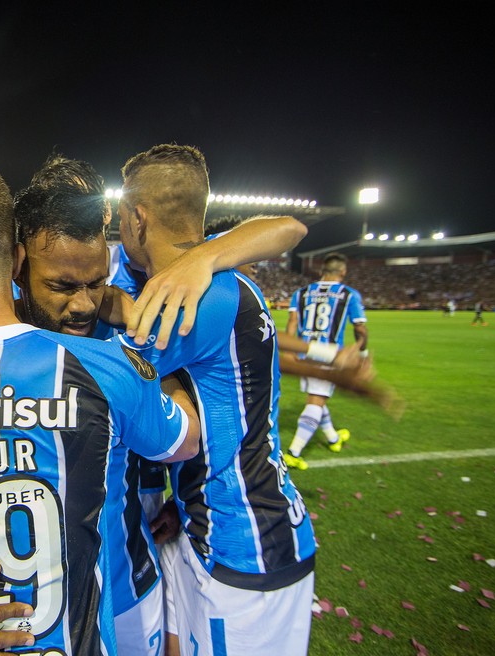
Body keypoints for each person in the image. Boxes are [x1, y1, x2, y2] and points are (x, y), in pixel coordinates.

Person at [0, 157, 312, 656]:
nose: (83, 304)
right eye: (61, 286)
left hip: (131, 582)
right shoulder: (60, 352)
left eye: (95, 283)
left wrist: (203, 257)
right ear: (16, 265)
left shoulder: (123, 313)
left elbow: (284, 231)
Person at [116, 144, 315, 656]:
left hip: (247, 546)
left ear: (137, 218)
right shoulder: (221, 280)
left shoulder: (202, 298)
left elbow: (109, 374)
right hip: (207, 521)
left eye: (119, 217)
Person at [284, 252, 368, 470]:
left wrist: (290, 349)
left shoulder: (301, 293)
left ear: (322, 270)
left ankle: (333, 438)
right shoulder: (348, 294)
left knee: (318, 397)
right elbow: (360, 328)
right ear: (343, 271)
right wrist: (362, 353)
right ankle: (293, 453)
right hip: (329, 354)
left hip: (305, 353)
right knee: (316, 401)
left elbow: (292, 322)